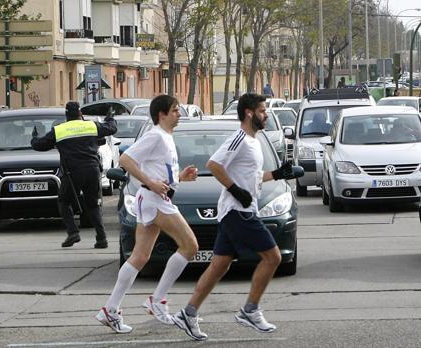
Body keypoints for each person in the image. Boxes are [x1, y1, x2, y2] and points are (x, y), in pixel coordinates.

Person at [170, 93, 303, 341]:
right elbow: (214, 164)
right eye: (262, 110)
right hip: (237, 212)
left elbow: (251, 177)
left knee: (218, 266)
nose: (266, 115)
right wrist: (234, 190)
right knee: (273, 257)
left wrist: (277, 174)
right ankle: (249, 310)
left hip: (242, 210)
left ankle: (187, 314)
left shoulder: (254, 140)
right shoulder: (239, 138)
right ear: (250, 113)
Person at [94, 94, 199, 334]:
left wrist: (180, 177)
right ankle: (158, 300)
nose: (179, 114)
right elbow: (125, 159)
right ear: (162, 114)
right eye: (175, 110)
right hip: (154, 200)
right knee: (190, 246)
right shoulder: (155, 136)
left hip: (151, 199)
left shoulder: (166, 137)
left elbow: (159, 169)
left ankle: (110, 309)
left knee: (140, 257)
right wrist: (151, 182)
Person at [31, 101, 116, 248]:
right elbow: (111, 128)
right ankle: (101, 238)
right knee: (93, 205)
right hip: (92, 170)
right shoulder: (91, 125)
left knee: (64, 202)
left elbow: (40, 145)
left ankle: (73, 233)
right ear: (80, 114)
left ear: (66, 115)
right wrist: (110, 117)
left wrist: (34, 137)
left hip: (72, 173)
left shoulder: (59, 130)